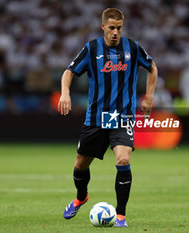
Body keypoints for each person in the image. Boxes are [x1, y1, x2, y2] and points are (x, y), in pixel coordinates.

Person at [58, 8, 158, 227]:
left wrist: (149, 96)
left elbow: (152, 67)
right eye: (111, 28)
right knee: (80, 165)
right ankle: (81, 196)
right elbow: (69, 72)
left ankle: (120, 215)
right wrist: (65, 93)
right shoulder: (91, 49)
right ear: (103, 27)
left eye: (119, 28)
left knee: (123, 159)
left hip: (123, 117)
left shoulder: (132, 47)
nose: (115, 32)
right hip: (96, 118)